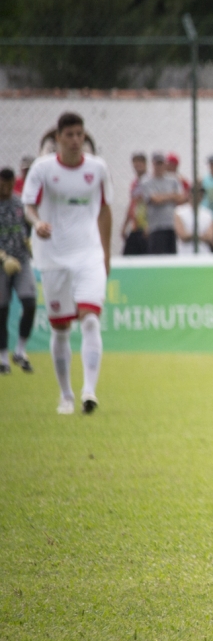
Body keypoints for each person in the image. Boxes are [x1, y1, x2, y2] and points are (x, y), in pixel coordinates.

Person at [22, 112, 114, 414]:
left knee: (90, 319)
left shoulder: (98, 169)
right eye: (70, 135)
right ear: (58, 137)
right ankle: (66, 395)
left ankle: (89, 391)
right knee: (60, 329)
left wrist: (106, 254)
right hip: (53, 256)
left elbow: (104, 211)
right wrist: (37, 224)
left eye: (80, 135)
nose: (76, 141)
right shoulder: (43, 169)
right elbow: (29, 205)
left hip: (89, 255)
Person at [1, 167, 37, 374]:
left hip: (21, 262)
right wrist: (3, 258)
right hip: (1, 265)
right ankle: (2, 357)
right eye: (2, 185)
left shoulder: (19, 203)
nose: (5, 189)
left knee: (30, 303)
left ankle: (20, 351)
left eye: (8, 185)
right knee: (2, 311)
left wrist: (29, 242)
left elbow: (26, 227)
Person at [134, 149, 186, 254]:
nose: (159, 166)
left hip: (172, 225)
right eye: (157, 163)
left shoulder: (173, 180)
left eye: (161, 163)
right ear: (153, 164)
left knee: (172, 256)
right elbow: (154, 200)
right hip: (156, 226)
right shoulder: (146, 181)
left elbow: (181, 198)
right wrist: (172, 196)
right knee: (157, 254)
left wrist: (162, 197)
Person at [121, 152, 150, 255]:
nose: (137, 166)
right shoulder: (135, 183)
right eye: (135, 164)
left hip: (145, 226)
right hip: (135, 226)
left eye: (140, 163)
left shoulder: (149, 181)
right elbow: (132, 204)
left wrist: (149, 224)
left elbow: (150, 204)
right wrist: (125, 225)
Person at [175, 186, 213, 255]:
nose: (197, 197)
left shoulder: (208, 214)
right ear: (189, 195)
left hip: (204, 253)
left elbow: (210, 237)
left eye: (200, 195)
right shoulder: (179, 211)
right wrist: (201, 236)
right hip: (185, 254)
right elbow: (182, 235)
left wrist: (191, 236)